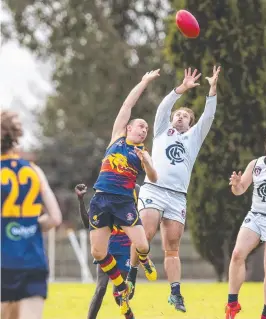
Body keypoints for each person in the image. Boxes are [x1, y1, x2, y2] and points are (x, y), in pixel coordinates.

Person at [127, 66, 221, 312]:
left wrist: (212, 89)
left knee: (172, 247)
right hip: (154, 189)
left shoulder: (193, 138)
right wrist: (181, 89)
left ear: (190, 124)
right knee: (145, 235)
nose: (180, 117)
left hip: (177, 197)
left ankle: (175, 294)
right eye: (177, 115)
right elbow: (163, 107)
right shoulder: (161, 131)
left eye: (185, 117)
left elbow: (208, 117)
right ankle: (131, 276)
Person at [88, 70, 160, 316]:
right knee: (97, 252)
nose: (144, 130)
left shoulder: (142, 152)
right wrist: (144, 82)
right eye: (141, 125)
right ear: (129, 127)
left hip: (123, 202)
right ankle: (120, 284)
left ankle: (145, 259)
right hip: (100, 199)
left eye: (146, 129)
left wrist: (147, 161)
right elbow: (128, 104)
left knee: (141, 244)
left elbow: (153, 178)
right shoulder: (117, 137)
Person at [1, 111, 62, 319]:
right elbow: (55, 218)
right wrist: (28, 225)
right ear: (15, 137)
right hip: (33, 262)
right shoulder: (34, 170)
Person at [75, 183, 140, 319]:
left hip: (125, 249)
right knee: (100, 289)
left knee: (122, 296)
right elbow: (89, 223)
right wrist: (81, 200)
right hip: (106, 249)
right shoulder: (104, 192)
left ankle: (130, 316)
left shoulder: (135, 190)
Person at [225, 130, 266, 319]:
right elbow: (240, 189)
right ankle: (232, 303)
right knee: (237, 254)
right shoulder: (256, 164)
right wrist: (236, 184)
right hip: (256, 216)